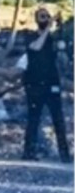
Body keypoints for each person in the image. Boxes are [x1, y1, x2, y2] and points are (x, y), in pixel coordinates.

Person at [16, 8, 71, 162]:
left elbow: (63, 59)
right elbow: (35, 47)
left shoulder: (53, 39)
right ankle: (29, 152)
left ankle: (64, 154)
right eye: (42, 16)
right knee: (34, 119)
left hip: (52, 83)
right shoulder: (30, 35)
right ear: (36, 19)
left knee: (58, 120)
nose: (46, 19)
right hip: (34, 85)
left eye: (48, 16)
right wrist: (48, 29)